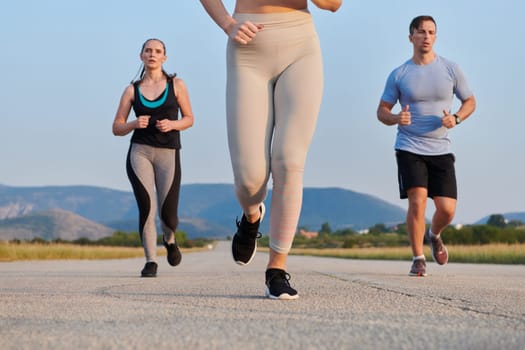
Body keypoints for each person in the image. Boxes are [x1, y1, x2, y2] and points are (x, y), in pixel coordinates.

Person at [199, 0, 342, 300]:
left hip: (300, 45)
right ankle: (252, 216)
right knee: (250, 179)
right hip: (248, 49)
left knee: (289, 161)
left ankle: (276, 269)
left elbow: (333, 4)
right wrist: (227, 22)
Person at [377, 16, 476, 276]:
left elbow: (470, 102)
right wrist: (397, 117)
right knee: (417, 201)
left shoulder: (450, 69)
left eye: (431, 32)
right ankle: (418, 257)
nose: (427, 37)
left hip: (441, 148)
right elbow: (382, 111)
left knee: (447, 209)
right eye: (421, 32)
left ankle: (435, 234)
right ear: (411, 37)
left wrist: (455, 118)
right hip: (409, 145)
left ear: (435, 36)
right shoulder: (400, 74)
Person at [112, 38, 195, 277]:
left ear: (164, 58)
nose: (152, 54)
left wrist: (173, 124)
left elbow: (189, 118)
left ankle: (169, 239)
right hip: (140, 151)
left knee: (168, 213)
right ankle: (150, 261)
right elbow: (116, 127)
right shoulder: (132, 90)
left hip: (169, 153)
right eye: (148, 50)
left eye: (157, 51)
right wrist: (133, 123)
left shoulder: (176, 84)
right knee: (147, 208)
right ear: (141, 56)